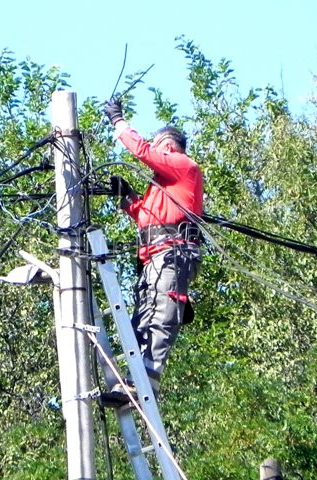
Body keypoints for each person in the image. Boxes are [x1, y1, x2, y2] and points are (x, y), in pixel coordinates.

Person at [100, 99, 204, 407]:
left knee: (161, 315)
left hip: (174, 254)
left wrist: (118, 122)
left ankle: (147, 382)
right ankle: (134, 380)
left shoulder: (184, 167)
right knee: (143, 318)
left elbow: (143, 151)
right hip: (155, 258)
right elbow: (147, 216)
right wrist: (128, 198)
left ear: (169, 147)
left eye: (160, 148)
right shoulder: (163, 187)